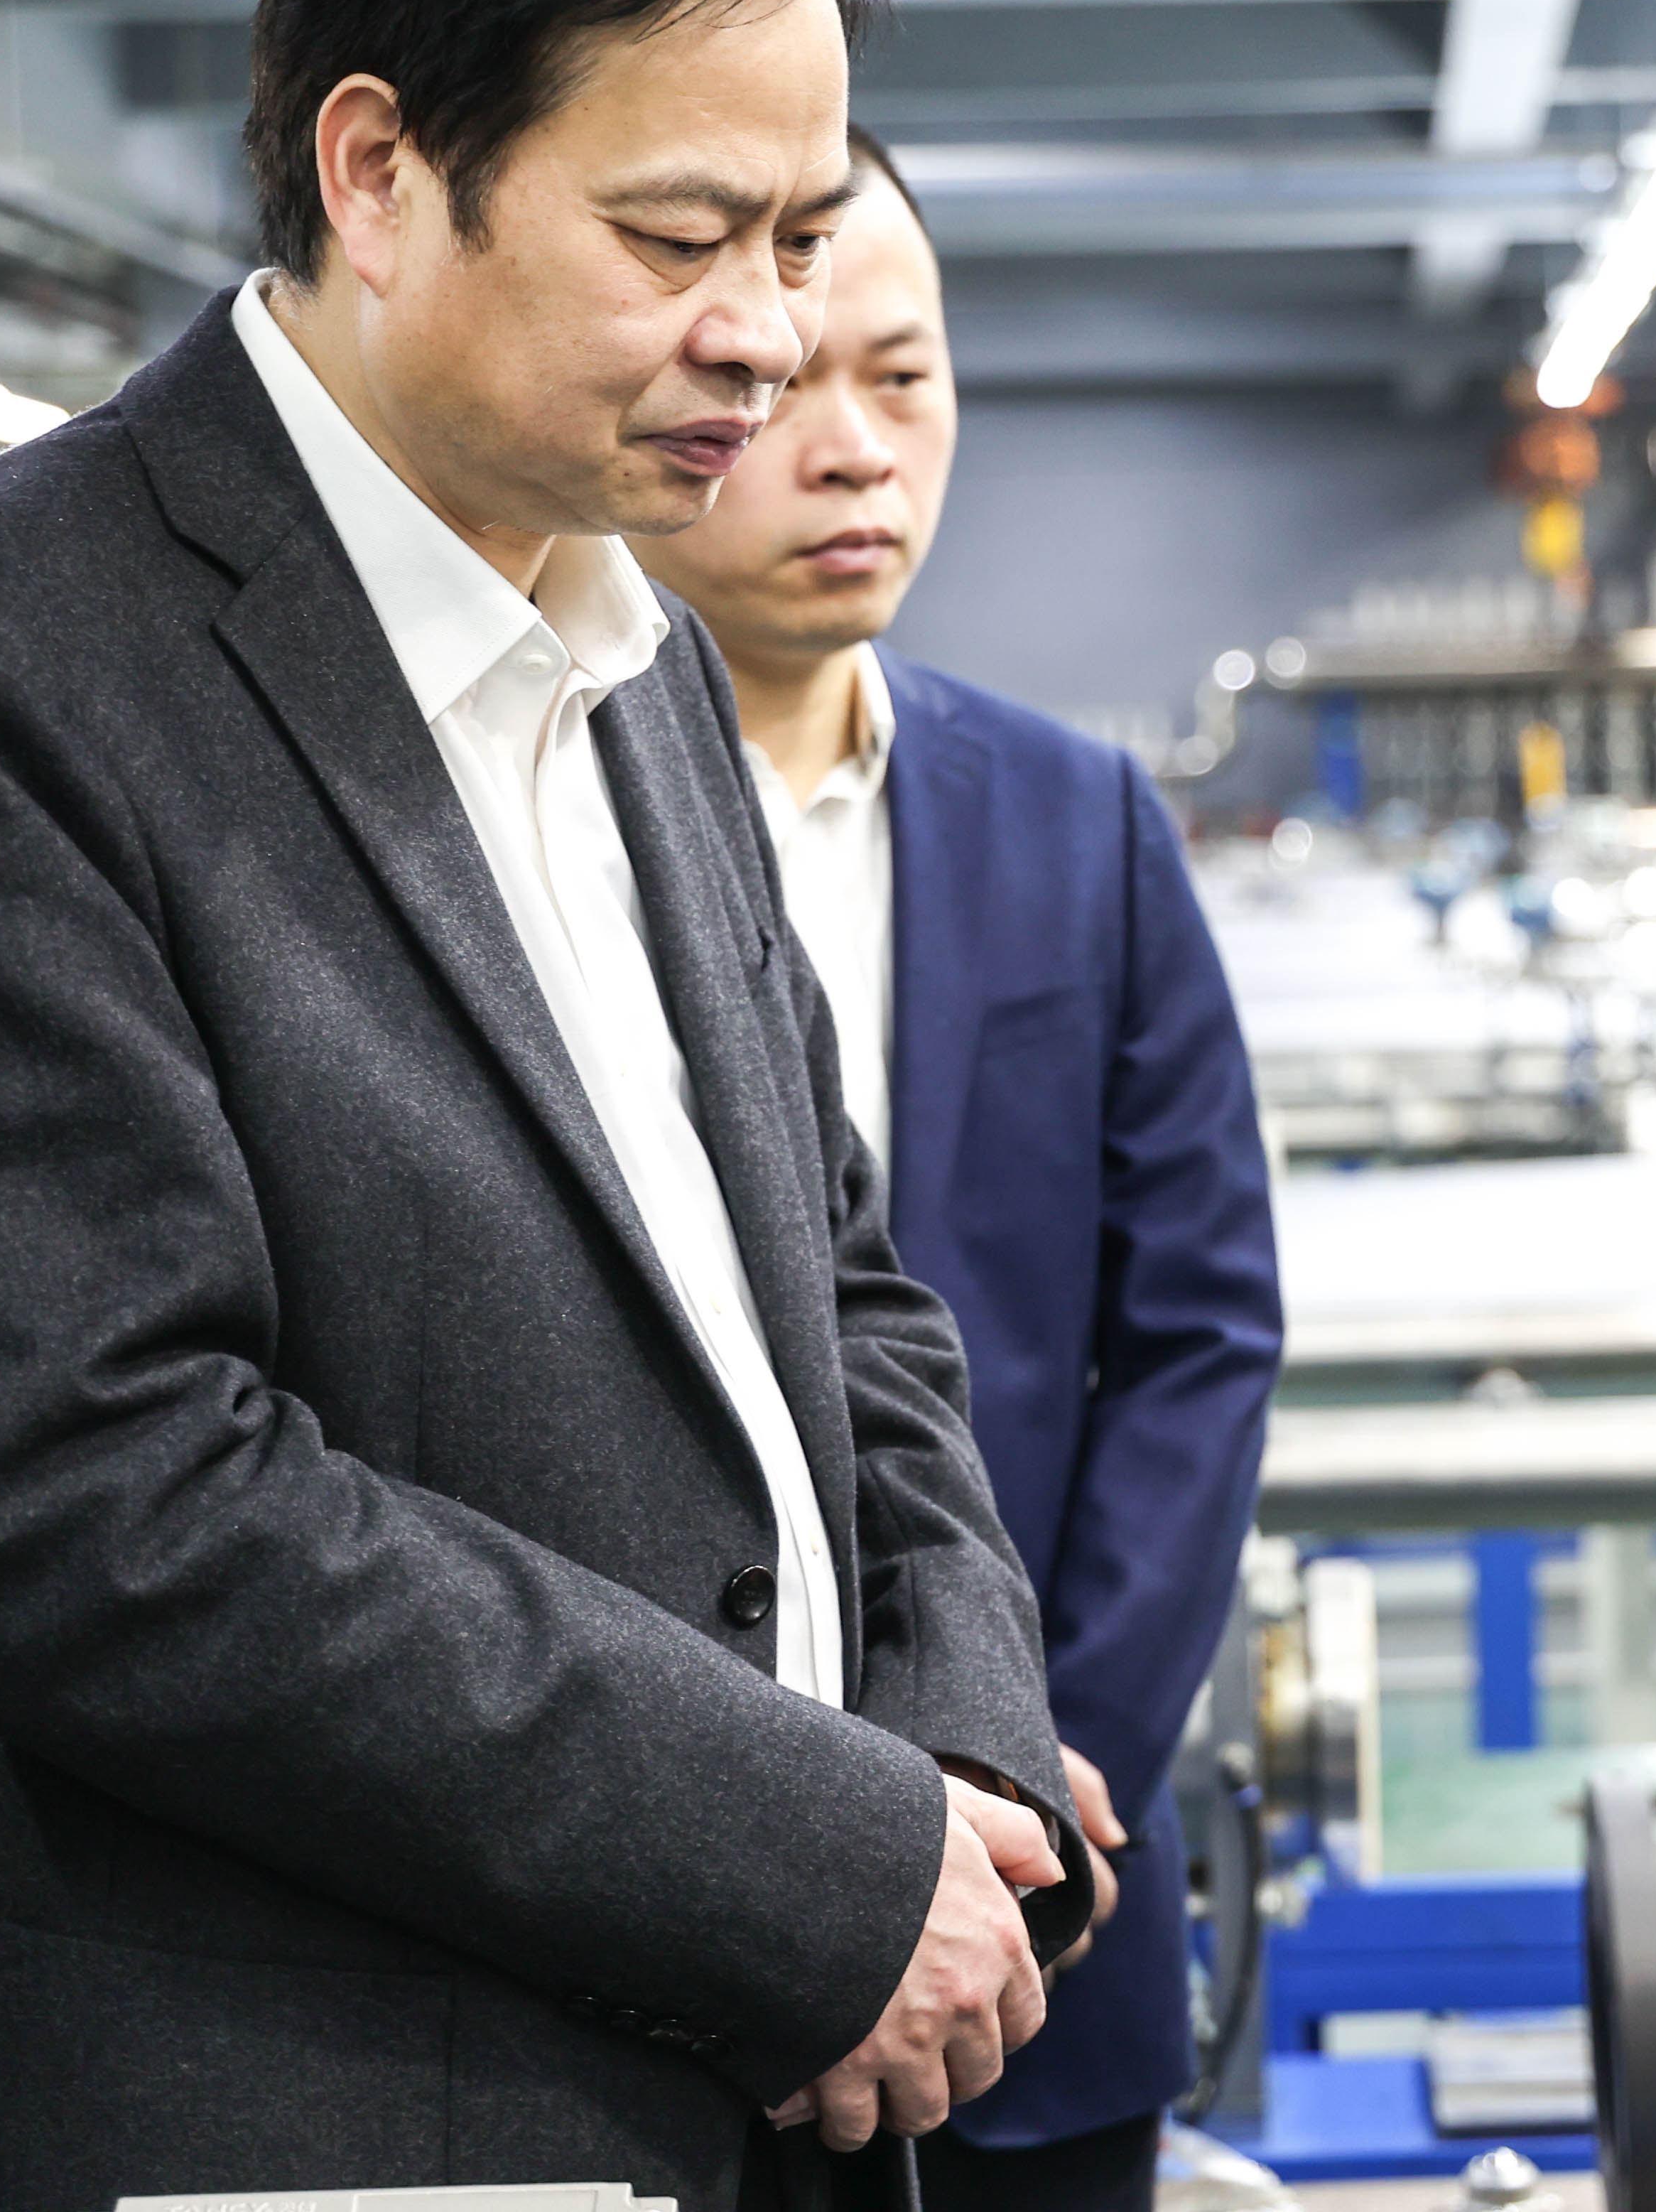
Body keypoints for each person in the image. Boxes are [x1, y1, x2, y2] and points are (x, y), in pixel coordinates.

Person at [0, 0, 1092, 2212]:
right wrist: (803, 1861)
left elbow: (842, 1295)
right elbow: (102, 1503)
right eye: (679, 238)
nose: (769, 336)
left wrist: (955, 1758)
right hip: (314, 2119)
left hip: (759, 2080)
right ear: (379, 172)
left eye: (803, 240)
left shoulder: (634, 655)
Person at [636, 129, 1284, 2212]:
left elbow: (1197, 1333)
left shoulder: (1077, 822)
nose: (852, 450)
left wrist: (1042, 1756)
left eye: (902, 379)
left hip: (1042, 1901)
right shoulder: (522, 825)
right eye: (785, 384)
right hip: (643, 1910)